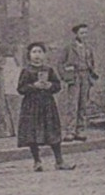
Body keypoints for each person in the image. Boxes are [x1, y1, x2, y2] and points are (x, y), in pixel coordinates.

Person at [16, 42, 72, 172]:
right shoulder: (26, 71)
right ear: (29, 55)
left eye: (40, 52)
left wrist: (50, 86)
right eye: (34, 52)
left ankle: (59, 161)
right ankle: (37, 161)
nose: (37, 55)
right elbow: (21, 89)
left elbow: (57, 86)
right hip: (31, 106)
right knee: (33, 134)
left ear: (44, 55)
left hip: (47, 105)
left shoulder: (49, 70)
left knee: (53, 132)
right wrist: (34, 86)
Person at [57, 23, 98, 141]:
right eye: (82, 33)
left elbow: (92, 62)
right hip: (74, 77)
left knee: (83, 104)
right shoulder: (69, 47)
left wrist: (91, 75)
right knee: (73, 104)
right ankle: (70, 131)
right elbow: (60, 63)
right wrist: (65, 76)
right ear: (76, 34)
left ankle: (80, 130)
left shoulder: (88, 48)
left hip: (85, 76)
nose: (84, 35)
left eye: (86, 33)